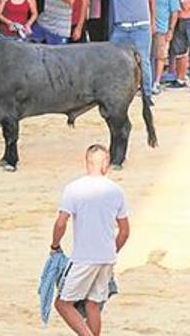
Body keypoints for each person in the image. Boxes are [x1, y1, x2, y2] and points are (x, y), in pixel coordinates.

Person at [51, 144, 130, 336]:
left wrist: (55, 246)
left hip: (84, 258)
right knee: (93, 304)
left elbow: (61, 223)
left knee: (62, 303)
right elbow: (125, 231)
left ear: (87, 163)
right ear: (106, 163)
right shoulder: (116, 191)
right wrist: (111, 250)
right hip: (107, 258)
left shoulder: (74, 188)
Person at [84, 0, 180, 98]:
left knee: (144, 61)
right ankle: (113, 91)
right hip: (121, 27)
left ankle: (147, 94)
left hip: (140, 27)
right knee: (112, 59)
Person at [147, 0, 180, 93]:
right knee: (146, 55)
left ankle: (156, 82)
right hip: (148, 26)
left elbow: (174, 12)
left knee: (160, 56)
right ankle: (146, 81)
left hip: (162, 28)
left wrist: (171, 30)